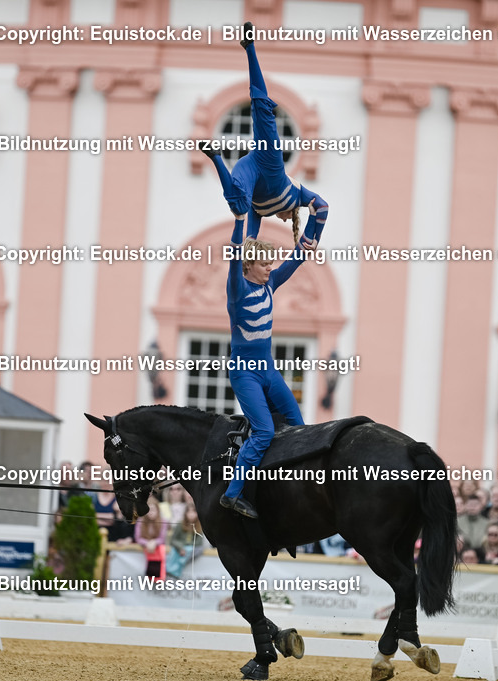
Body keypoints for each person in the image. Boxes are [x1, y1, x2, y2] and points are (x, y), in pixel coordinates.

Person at [219, 213, 320, 519]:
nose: (270, 268)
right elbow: (236, 253)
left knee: (298, 426)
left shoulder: (270, 284)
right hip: (245, 374)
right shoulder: (238, 292)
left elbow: (296, 259)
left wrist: (316, 222)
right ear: (249, 265)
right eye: (264, 264)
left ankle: (291, 488)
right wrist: (240, 219)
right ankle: (232, 494)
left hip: (268, 370)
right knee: (263, 431)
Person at [201, 22, 329, 246]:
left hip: (249, 168)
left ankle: (216, 156)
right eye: (286, 219)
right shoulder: (298, 197)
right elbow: (322, 206)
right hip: (268, 163)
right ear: (290, 215)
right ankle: (250, 47)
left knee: (240, 207)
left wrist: (245, 255)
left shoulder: (261, 212)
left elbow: (250, 237)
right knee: (261, 111)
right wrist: (312, 237)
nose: (282, 219)